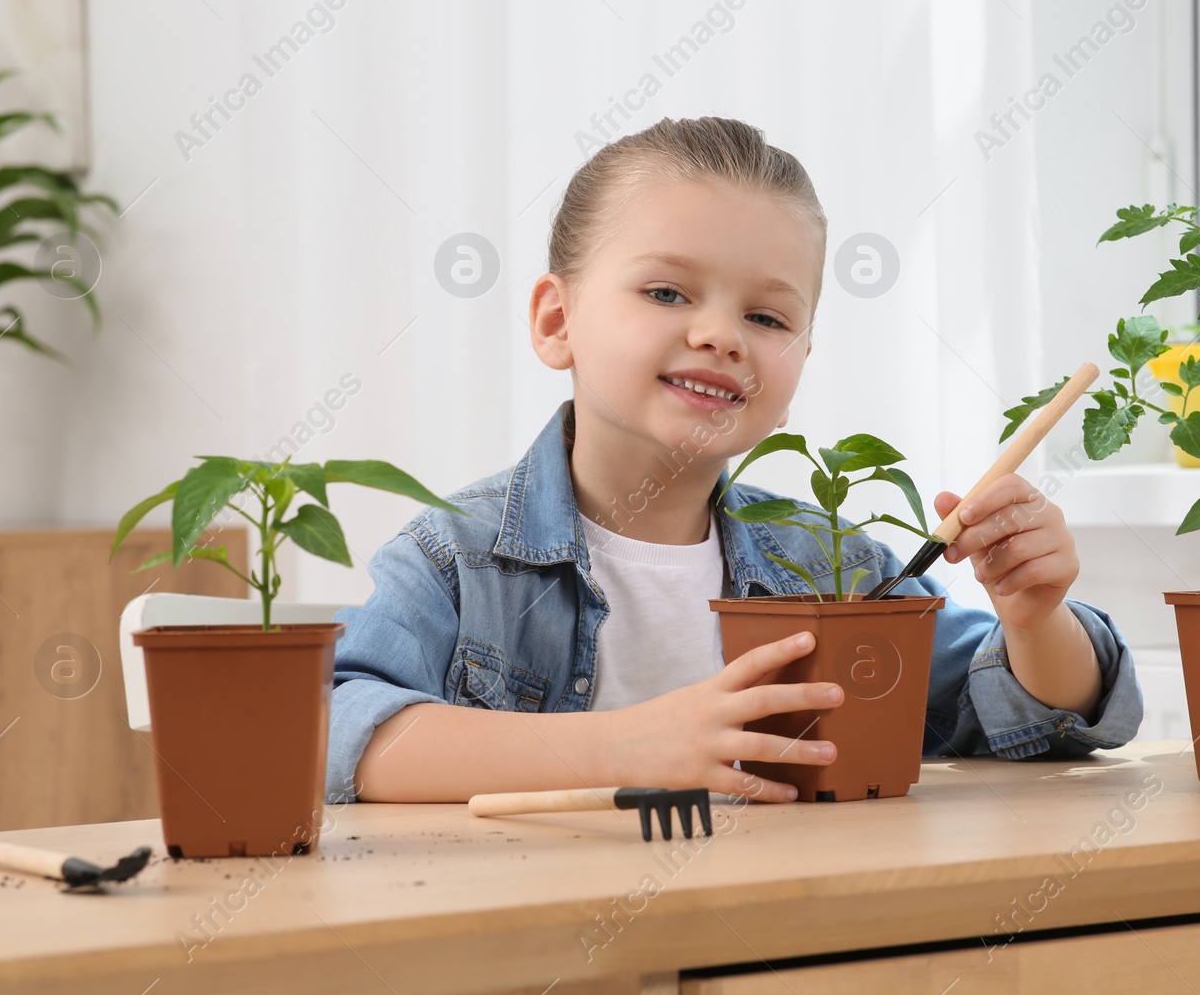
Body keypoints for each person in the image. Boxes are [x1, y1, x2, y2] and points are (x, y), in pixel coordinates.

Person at [327, 116, 1142, 806]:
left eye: (765, 314)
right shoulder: (456, 555)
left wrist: (1036, 619)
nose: (722, 334)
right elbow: (341, 730)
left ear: (803, 357)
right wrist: (622, 747)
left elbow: (1014, 711)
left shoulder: (837, 567)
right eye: (667, 293)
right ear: (556, 319)